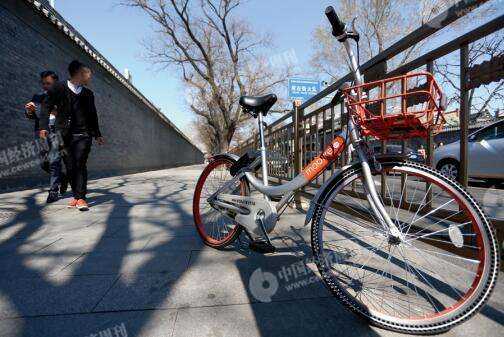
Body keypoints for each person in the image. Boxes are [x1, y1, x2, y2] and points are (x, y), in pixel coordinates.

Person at [39, 60, 105, 211]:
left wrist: (97, 134)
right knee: (69, 166)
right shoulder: (58, 88)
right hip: (64, 135)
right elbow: (46, 106)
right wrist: (43, 126)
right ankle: (76, 196)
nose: (89, 77)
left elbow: (92, 115)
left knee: (80, 163)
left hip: (84, 134)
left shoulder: (88, 94)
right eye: (87, 74)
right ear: (78, 74)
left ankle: (81, 197)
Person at [25, 70, 68, 203]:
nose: (45, 86)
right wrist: (30, 111)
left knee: (54, 160)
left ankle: (53, 191)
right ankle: (63, 177)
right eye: (43, 83)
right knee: (44, 163)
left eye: (48, 83)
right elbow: (32, 117)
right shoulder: (37, 97)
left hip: (57, 132)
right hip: (42, 132)